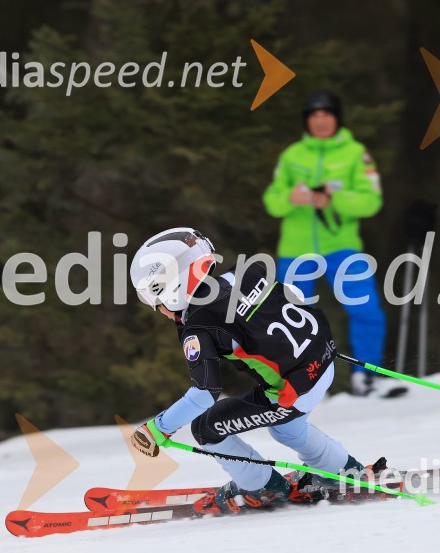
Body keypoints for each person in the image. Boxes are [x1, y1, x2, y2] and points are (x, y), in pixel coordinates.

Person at [128, 227, 366, 514]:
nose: (157, 308)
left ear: (172, 287)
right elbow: (293, 296)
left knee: (206, 428)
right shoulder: (244, 273)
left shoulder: (199, 325)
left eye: (153, 298)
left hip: (292, 391)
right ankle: (344, 470)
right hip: (323, 362)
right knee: (286, 429)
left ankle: (261, 488)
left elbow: (204, 394)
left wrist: (157, 429)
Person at [262, 90, 389, 397]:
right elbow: (272, 202)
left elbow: (371, 202)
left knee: (366, 310)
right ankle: (295, 385)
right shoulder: (293, 155)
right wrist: (291, 198)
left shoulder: (356, 153)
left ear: (337, 118)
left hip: (342, 247)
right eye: (314, 116)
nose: (320, 121)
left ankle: (367, 376)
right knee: (289, 320)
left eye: (326, 115)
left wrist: (332, 198)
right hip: (296, 250)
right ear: (307, 121)